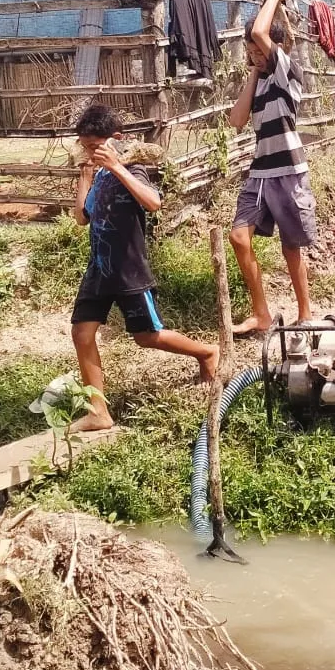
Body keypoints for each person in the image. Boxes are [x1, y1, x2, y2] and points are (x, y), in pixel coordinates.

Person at [68, 104, 219, 432]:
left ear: (117, 139)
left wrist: (116, 166)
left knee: (147, 336)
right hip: (99, 269)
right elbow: (81, 218)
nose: (91, 152)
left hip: (128, 270)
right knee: (81, 333)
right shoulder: (97, 175)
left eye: (96, 146)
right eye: (86, 147)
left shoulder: (133, 168)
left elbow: (153, 202)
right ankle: (98, 411)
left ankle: (207, 352)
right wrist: (84, 177)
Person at [228, 0, 316, 334]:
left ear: (275, 48)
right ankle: (261, 313)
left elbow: (261, 31)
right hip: (259, 175)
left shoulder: (288, 73)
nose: (256, 55)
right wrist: (253, 71)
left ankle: (305, 313)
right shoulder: (261, 80)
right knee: (238, 237)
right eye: (251, 52)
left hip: (289, 172)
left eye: (260, 51)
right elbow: (236, 121)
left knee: (291, 248)